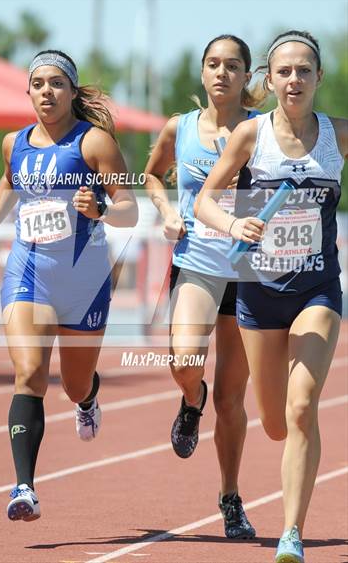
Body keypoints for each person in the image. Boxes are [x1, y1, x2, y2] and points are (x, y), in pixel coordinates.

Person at [194, 30, 347, 563]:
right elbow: (205, 203)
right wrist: (234, 226)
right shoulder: (250, 136)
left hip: (317, 290)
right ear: (270, 79)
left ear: (319, 77)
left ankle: (291, 534)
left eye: (304, 70)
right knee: (277, 423)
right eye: (284, 71)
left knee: (303, 407)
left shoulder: (337, 134)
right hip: (259, 294)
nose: (294, 80)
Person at [0, 50, 138, 522]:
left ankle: (86, 398)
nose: (47, 91)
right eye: (38, 83)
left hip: (83, 279)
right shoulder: (13, 143)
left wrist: (101, 209)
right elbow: (8, 183)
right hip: (28, 271)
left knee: (74, 382)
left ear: (71, 91)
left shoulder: (96, 143)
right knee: (29, 374)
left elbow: (131, 207)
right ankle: (23, 486)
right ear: (28, 91)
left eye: (57, 83)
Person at [145, 35, 262, 539]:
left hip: (250, 273)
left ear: (247, 76)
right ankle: (190, 399)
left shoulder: (265, 131)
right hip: (196, 261)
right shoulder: (181, 127)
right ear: (202, 73)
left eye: (232, 66)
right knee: (183, 360)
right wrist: (168, 210)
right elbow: (151, 176)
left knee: (232, 402)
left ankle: (230, 498)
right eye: (213, 64)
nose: (222, 73)